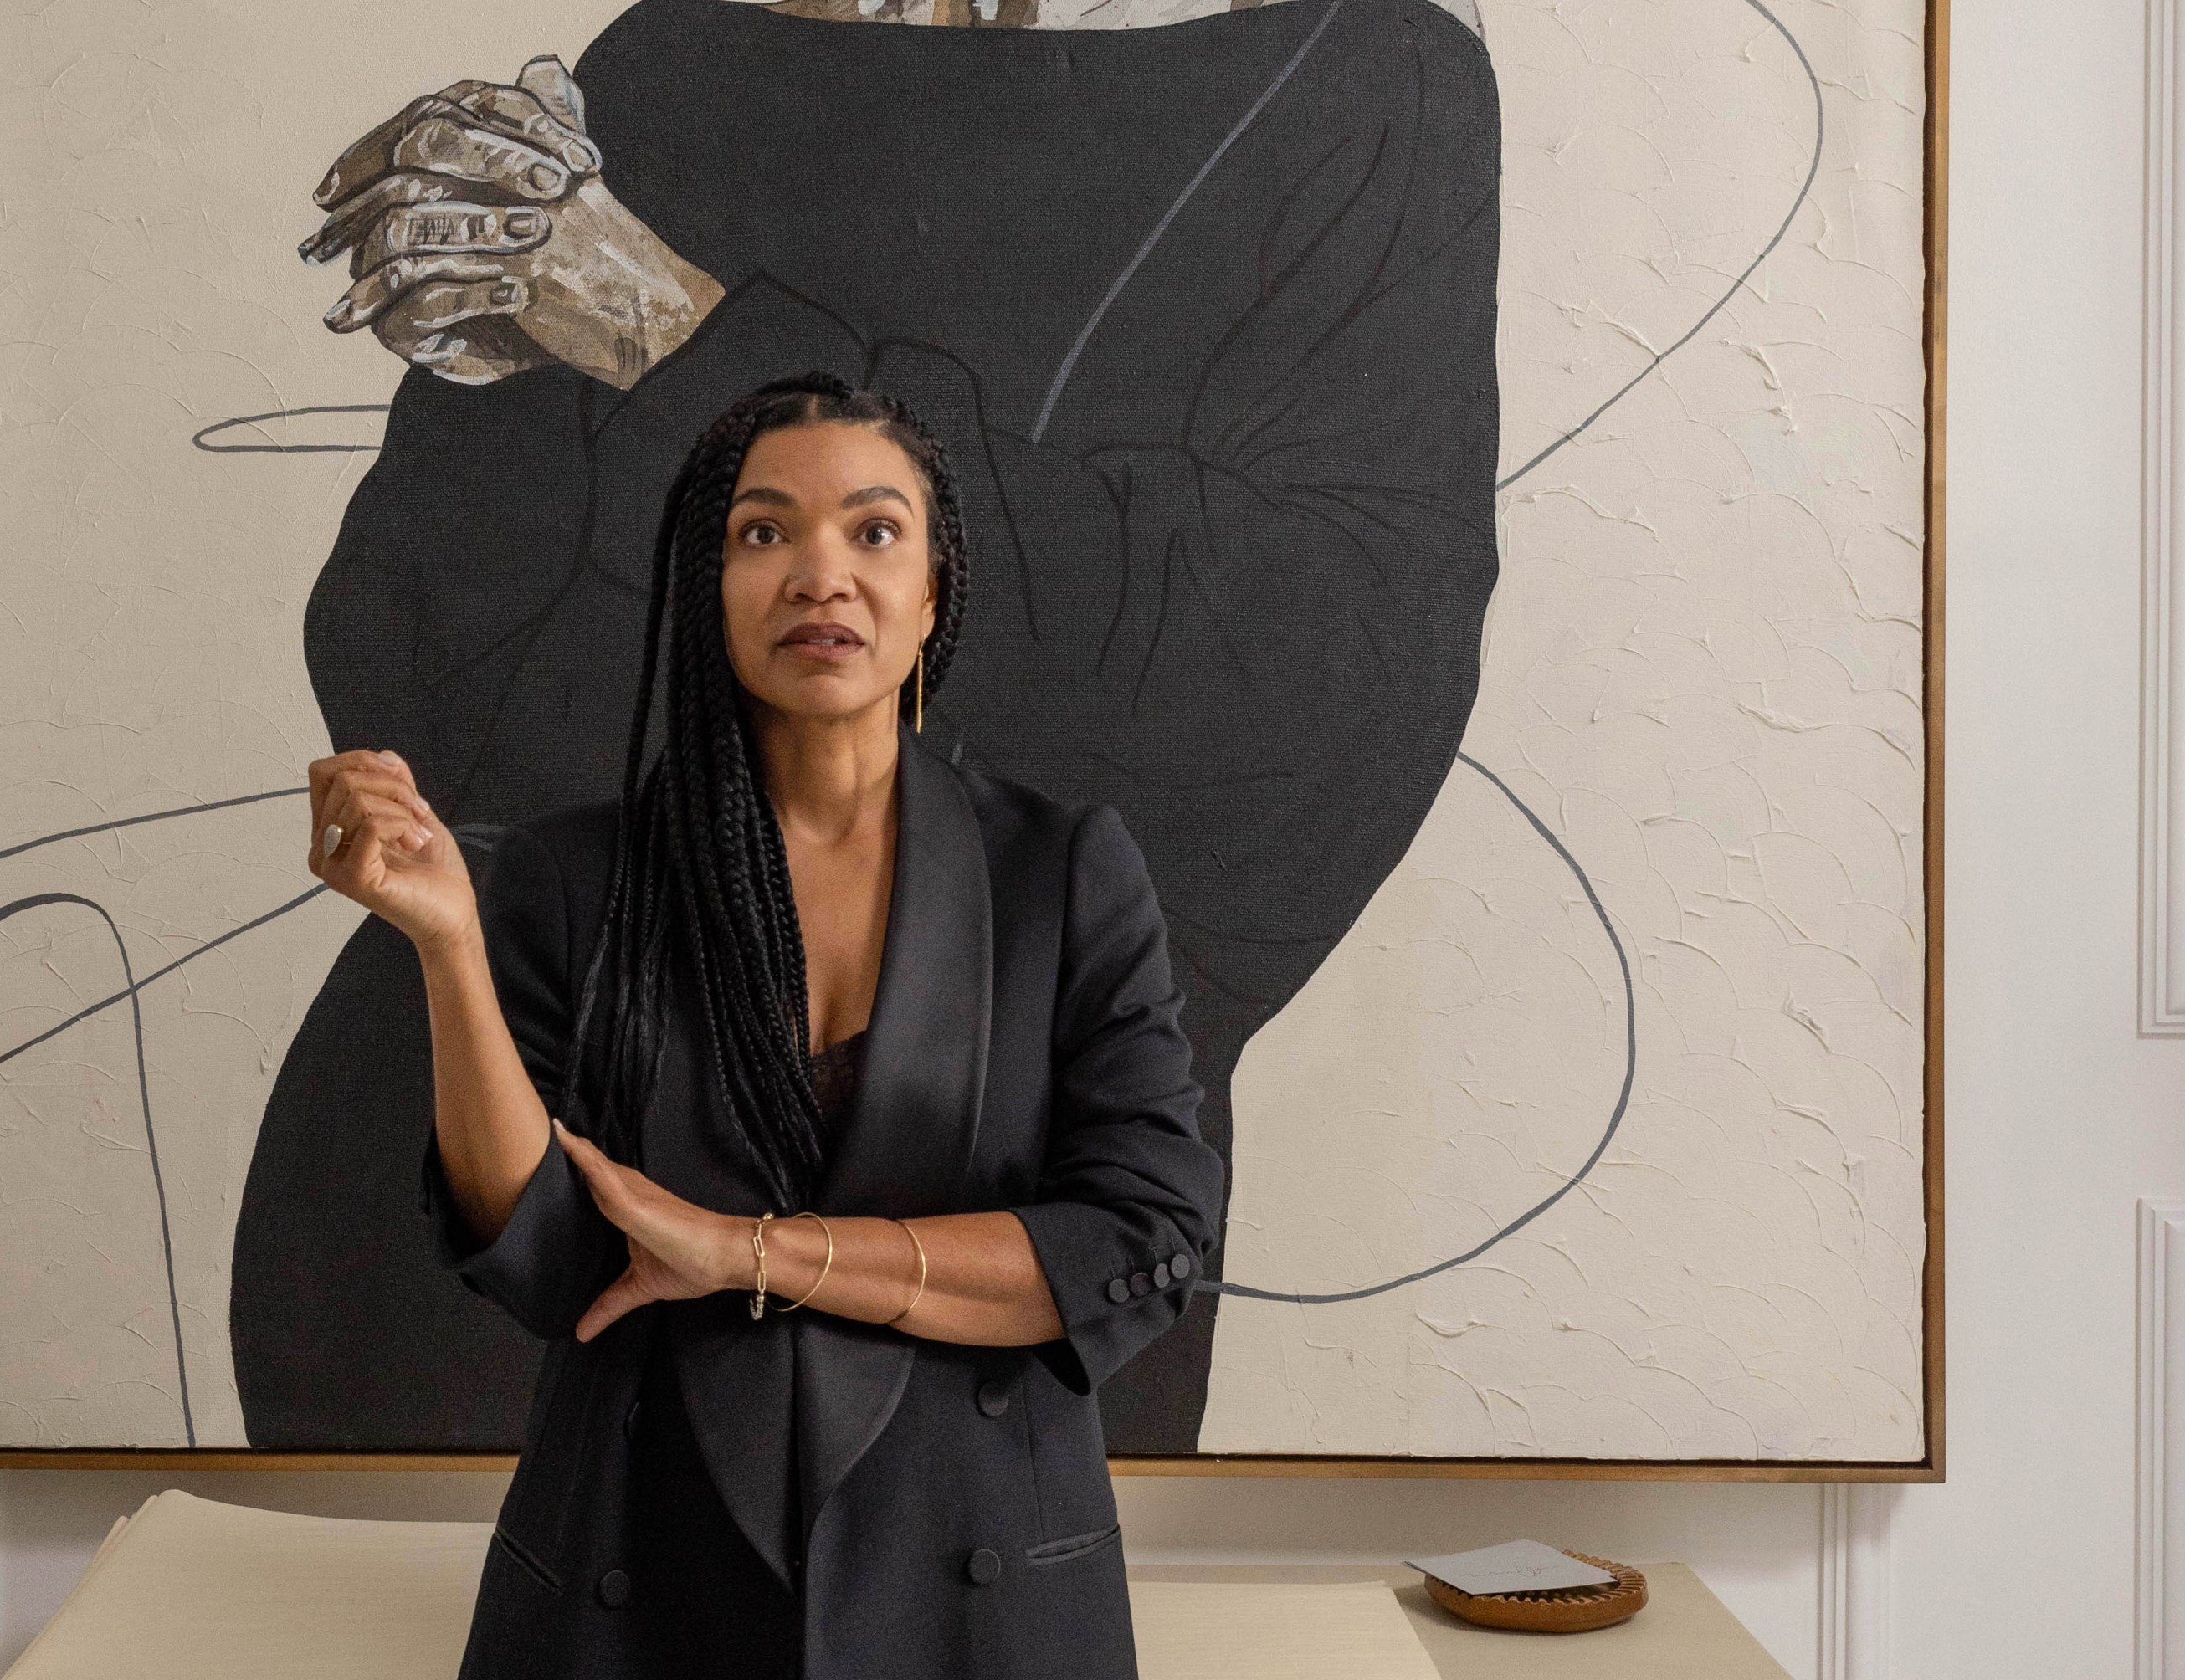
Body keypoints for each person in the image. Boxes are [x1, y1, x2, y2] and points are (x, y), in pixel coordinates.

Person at [233, 0, 1500, 1456]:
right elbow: (411, 676)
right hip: (486, 1209)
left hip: (977, 1245)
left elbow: (1314, 684)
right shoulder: (672, 59)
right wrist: (496, 377)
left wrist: (672, 339)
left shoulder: (1351, 75)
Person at [304, 375, 1226, 1680]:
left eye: (874, 527)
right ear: (703, 583)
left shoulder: (1062, 877)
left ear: (935, 585)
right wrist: (445, 949)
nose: (824, 569)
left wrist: (753, 1249)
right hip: (631, 1602)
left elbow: (1141, 1240)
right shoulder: (581, 882)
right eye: (763, 529)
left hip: (969, 1633)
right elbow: (547, 1256)